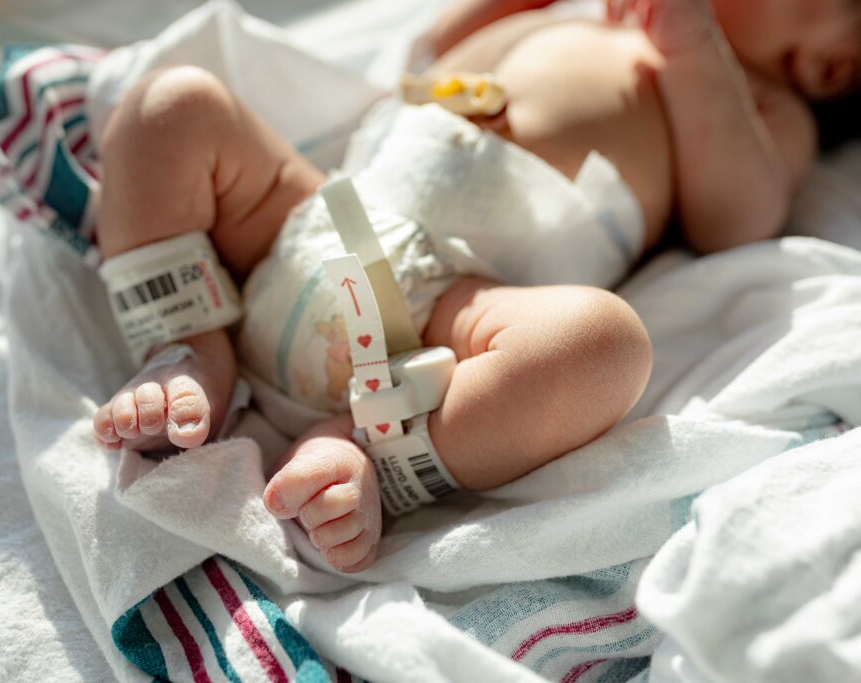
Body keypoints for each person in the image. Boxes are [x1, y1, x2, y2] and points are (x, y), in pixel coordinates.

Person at [91, 0, 861, 572]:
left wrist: (693, 50)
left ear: (831, 61)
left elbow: (739, 219)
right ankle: (187, 339)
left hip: (446, 315)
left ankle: (371, 448)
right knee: (171, 105)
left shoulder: (768, 108)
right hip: (309, 213)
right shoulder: (591, 20)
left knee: (602, 345)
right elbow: (434, 51)